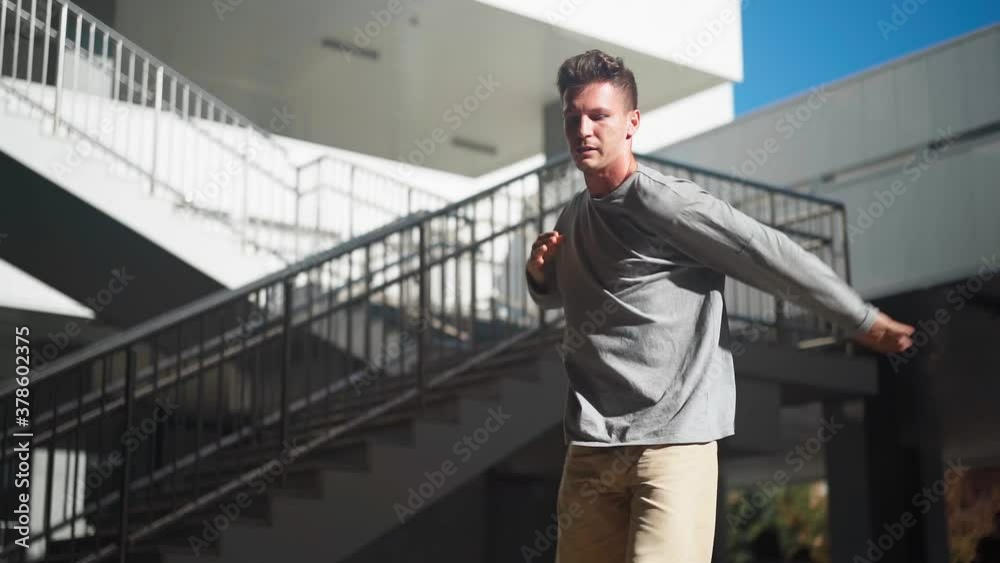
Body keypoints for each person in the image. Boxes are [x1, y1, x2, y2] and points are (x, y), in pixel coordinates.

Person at [524, 50, 916, 563]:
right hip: (591, 449)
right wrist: (538, 276)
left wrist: (857, 317)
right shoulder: (572, 215)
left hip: (671, 447)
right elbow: (561, 295)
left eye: (598, 116)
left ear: (632, 122)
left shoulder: (666, 203)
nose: (583, 130)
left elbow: (768, 254)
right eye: (572, 117)